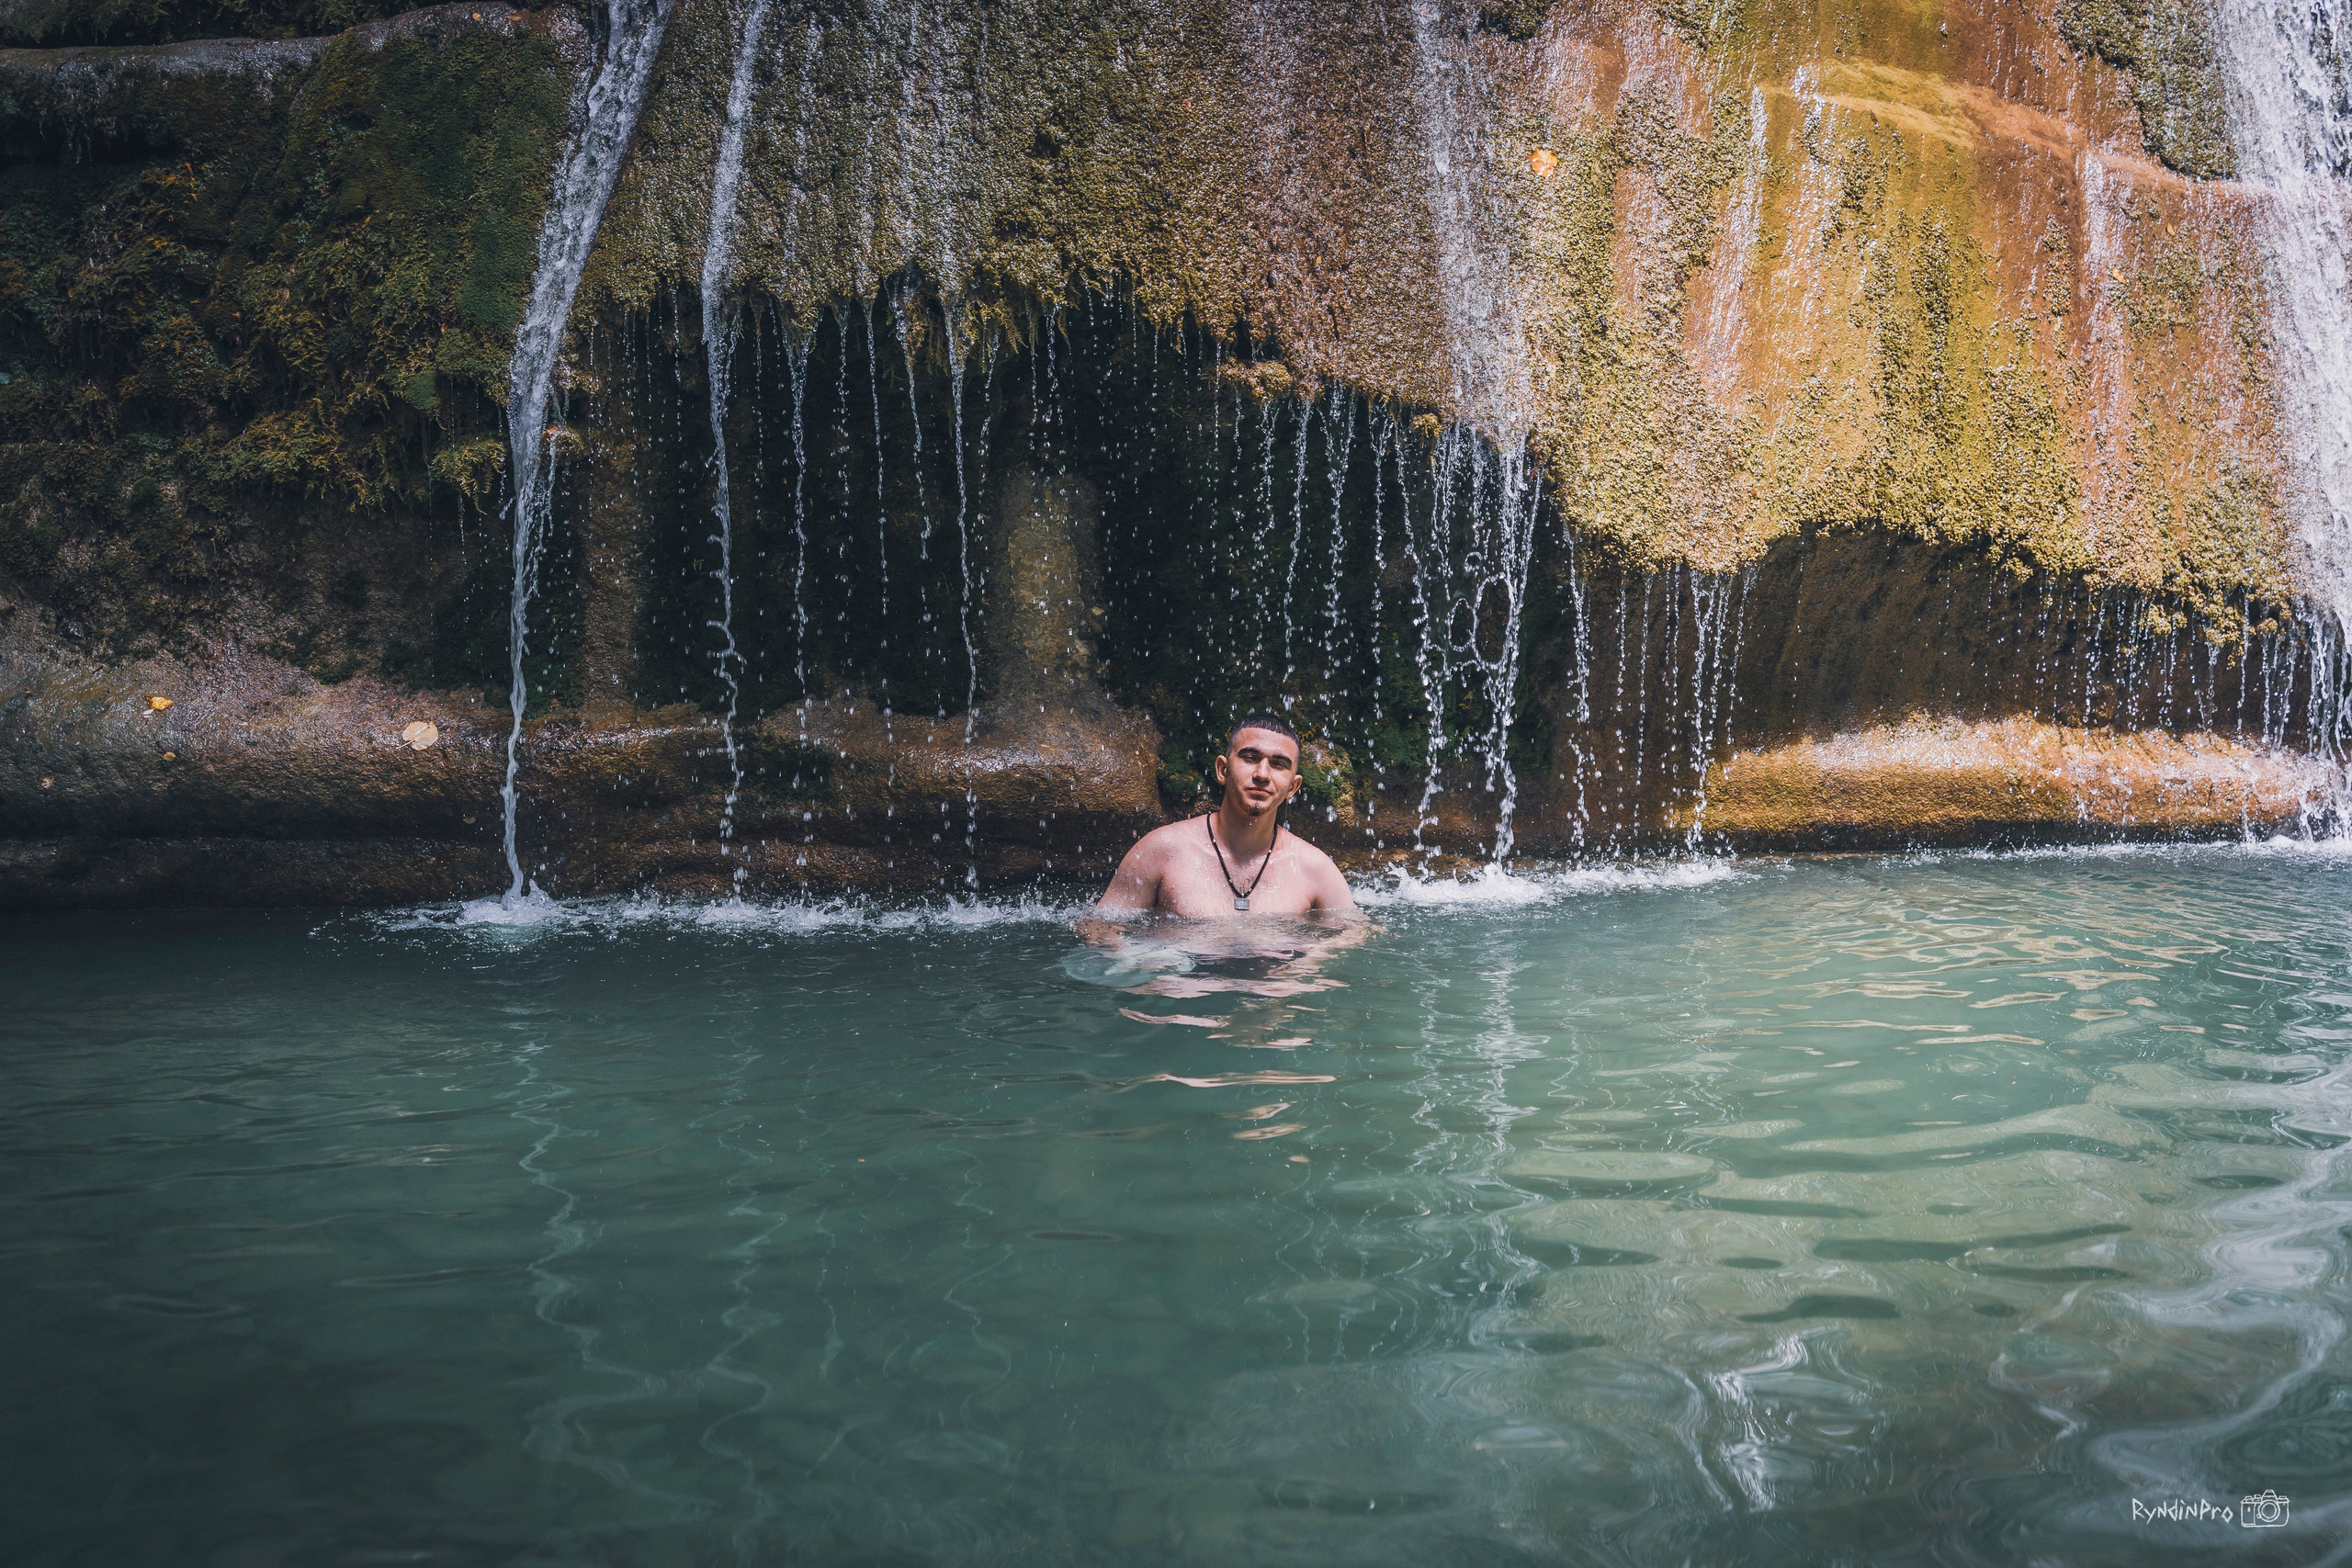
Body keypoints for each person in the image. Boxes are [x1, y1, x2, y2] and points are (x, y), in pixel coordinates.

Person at [1098, 714, 1357, 918]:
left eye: (1278, 765)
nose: (1262, 774)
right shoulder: (1162, 850)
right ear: (1223, 769)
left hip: (1272, 983)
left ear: (1293, 787)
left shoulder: (1315, 869)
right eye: (1250, 758)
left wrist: (1304, 966)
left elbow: (1350, 941)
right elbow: (1100, 929)